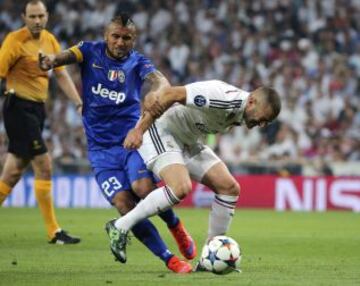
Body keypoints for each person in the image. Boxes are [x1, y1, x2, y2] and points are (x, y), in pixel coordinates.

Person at [39, 14, 195, 273]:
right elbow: (67, 55)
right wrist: (51, 60)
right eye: (116, 36)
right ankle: (170, 259)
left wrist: (161, 90)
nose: (120, 42)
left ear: (133, 40)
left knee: (144, 188)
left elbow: (158, 79)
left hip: (131, 141)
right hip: (100, 152)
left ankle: (175, 225)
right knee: (124, 204)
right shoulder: (90, 51)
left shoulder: (137, 62)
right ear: (106, 35)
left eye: (126, 38)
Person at [109, 79, 281, 265]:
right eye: (262, 118)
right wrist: (139, 130)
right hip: (162, 130)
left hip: (188, 141)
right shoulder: (220, 97)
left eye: (266, 122)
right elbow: (169, 95)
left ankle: (208, 259)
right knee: (181, 187)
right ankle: (119, 226)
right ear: (252, 101)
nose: (261, 124)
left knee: (229, 188)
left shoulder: (243, 113)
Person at [0, 0, 81, 244]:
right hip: (18, 107)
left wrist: (78, 102)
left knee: (12, 173)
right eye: (32, 16)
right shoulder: (15, 41)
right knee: (44, 164)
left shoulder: (50, 40)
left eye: (41, 16)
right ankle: (54, 232)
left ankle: (54, 232)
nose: (37, 21)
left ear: (47, 16)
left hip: (37, 109)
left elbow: (62, 74)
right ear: (24, 17)